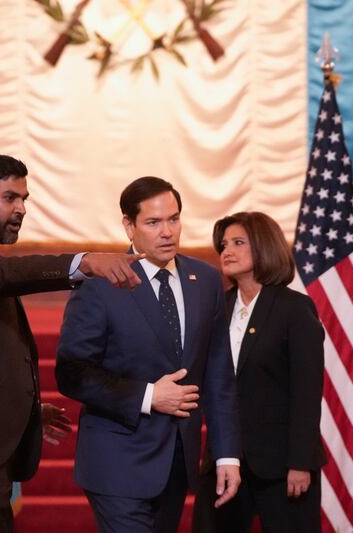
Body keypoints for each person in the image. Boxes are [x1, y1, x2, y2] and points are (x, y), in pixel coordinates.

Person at [0, 153, 144, 533]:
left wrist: (24, 409)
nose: (21, 209)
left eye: (25, 200)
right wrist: (84, 262)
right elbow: (7, 274)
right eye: (10, 198)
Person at [56, 176, 241, 533]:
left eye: (173, 219)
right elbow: (71, 372)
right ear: (129, 225)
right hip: (116, 465)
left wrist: (227, 454)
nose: (167, 232)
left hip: (176, 464)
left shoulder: (205, 280)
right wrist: (149, 395)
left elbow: (219, 374)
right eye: (153, 223)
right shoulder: (100, 285)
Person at [192, 211, 327, 533]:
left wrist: (300, 462)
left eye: (239, 243)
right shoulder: (216, 308)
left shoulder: (294, 308)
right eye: (224, 244)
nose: (227, 251)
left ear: (264, 247)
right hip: (225, 461)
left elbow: (307, 392)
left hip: (281, 466)